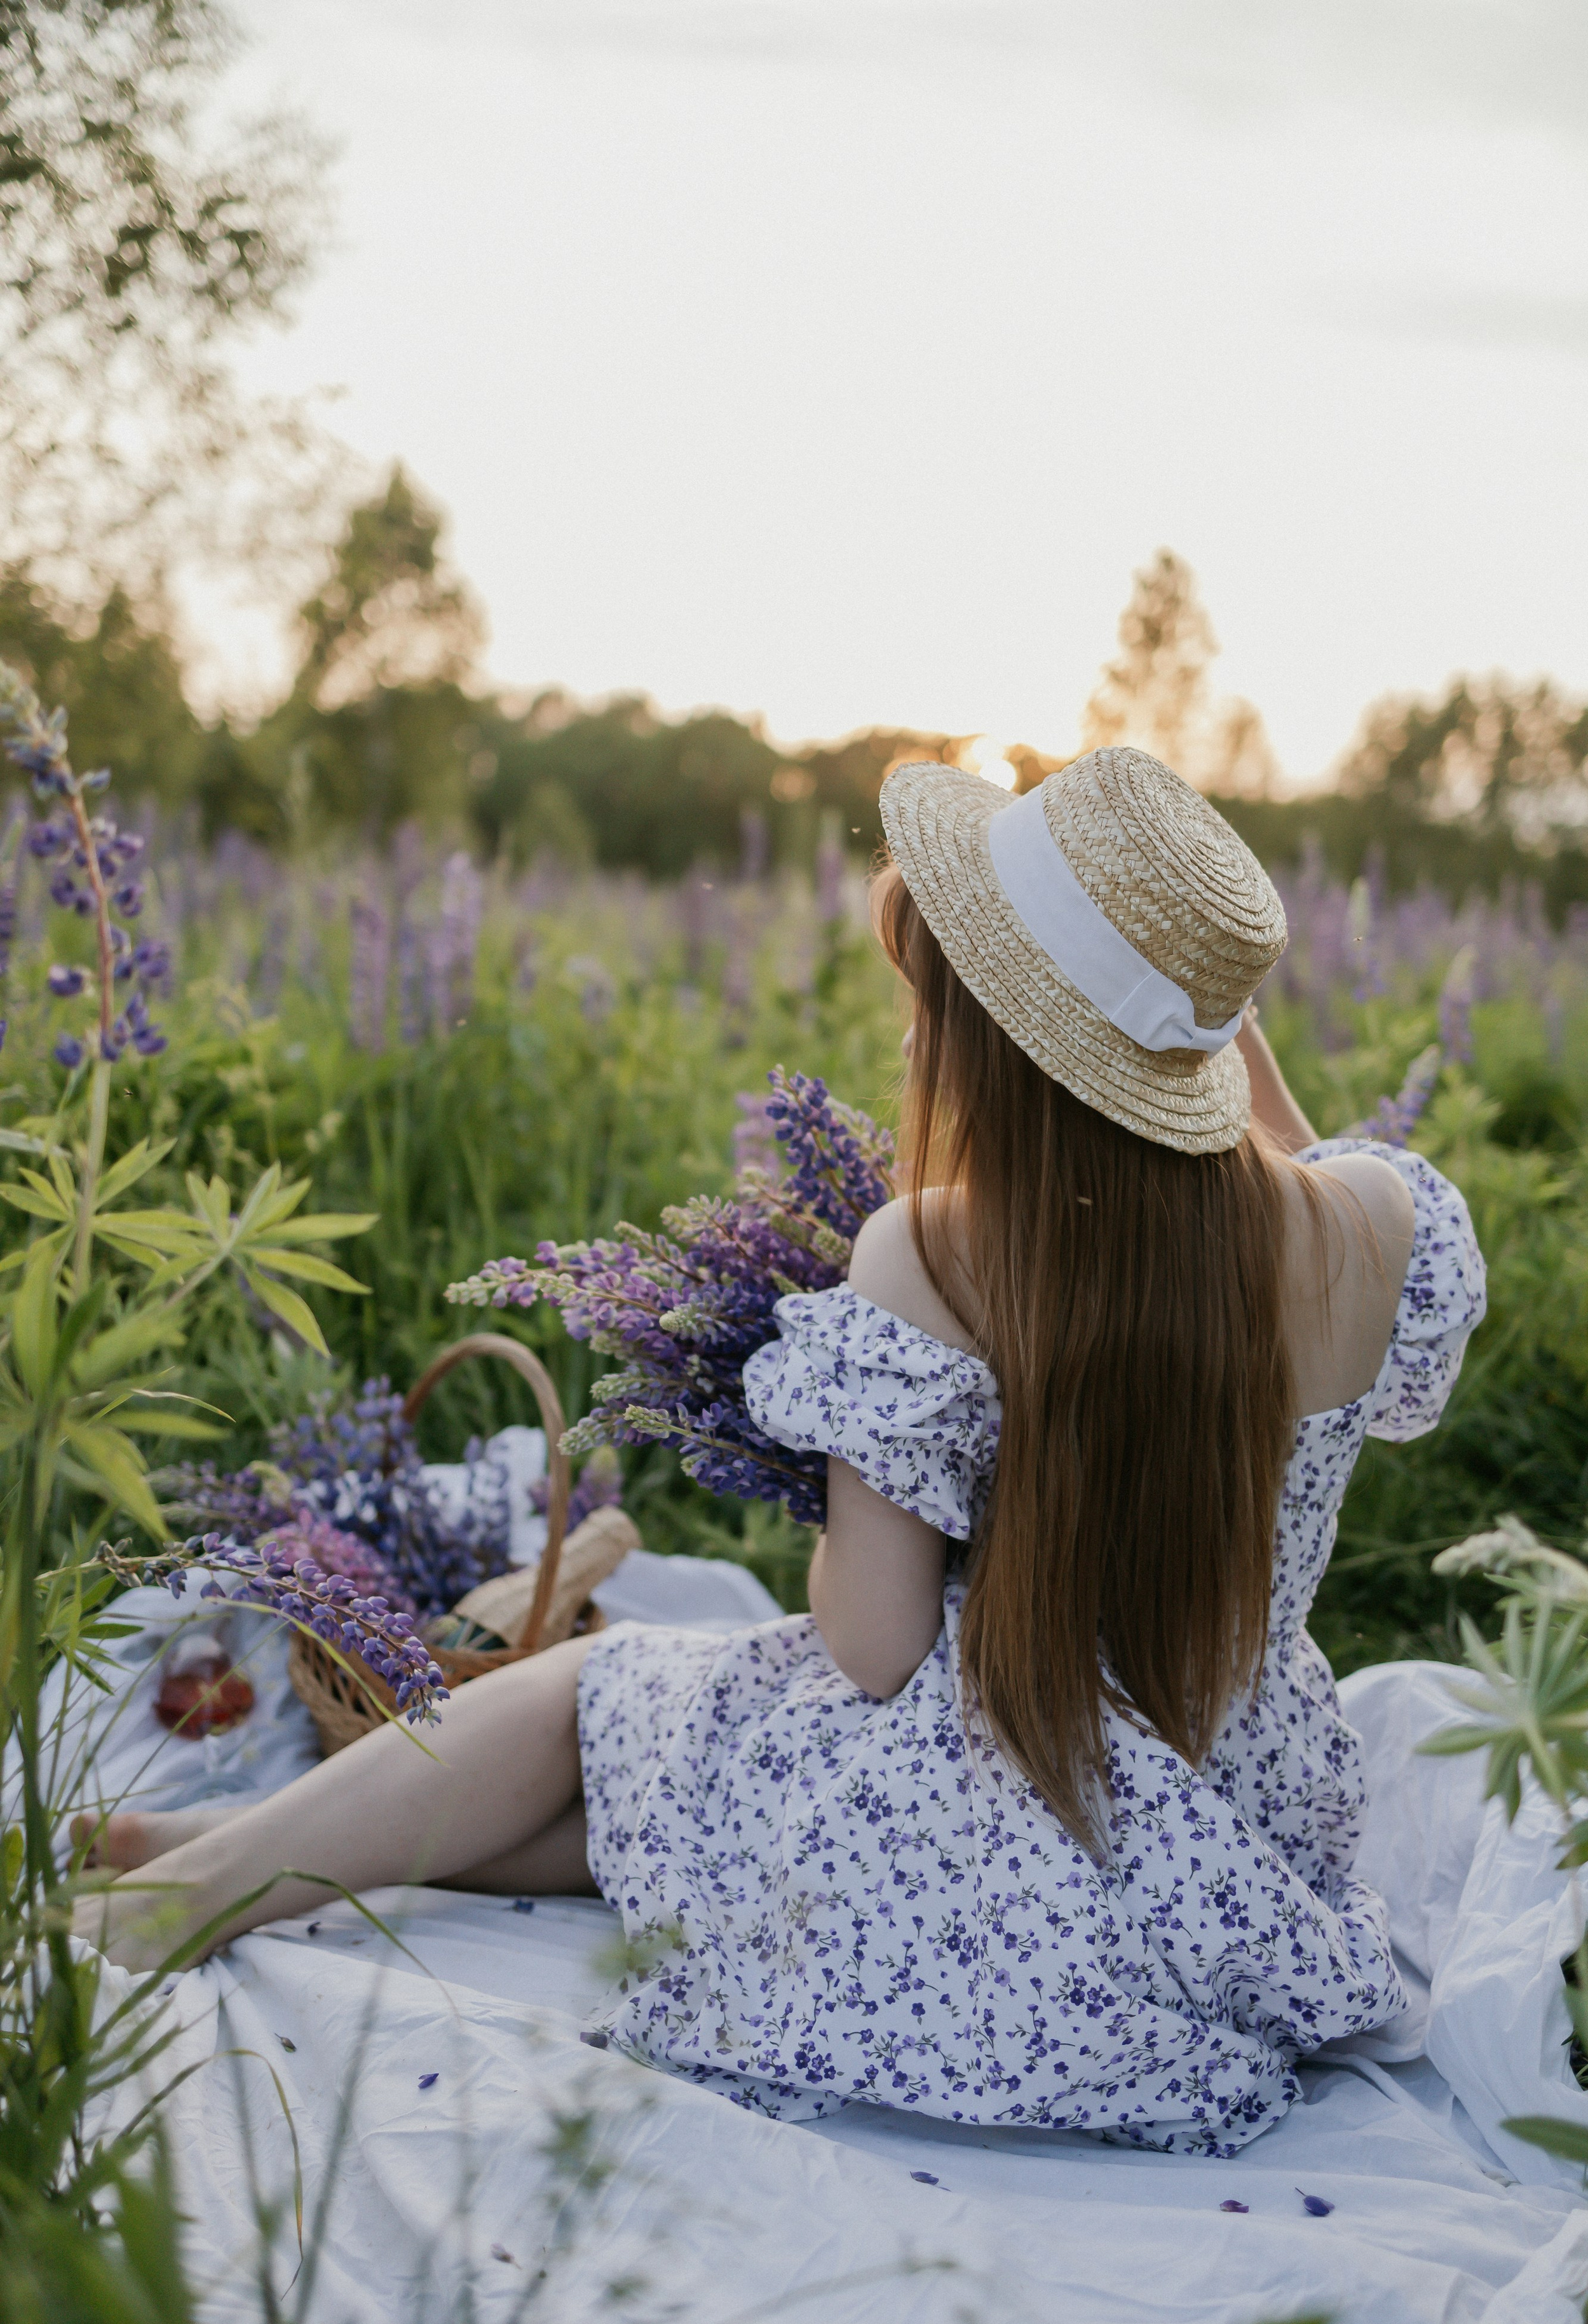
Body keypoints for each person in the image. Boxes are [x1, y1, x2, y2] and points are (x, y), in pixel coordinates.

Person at [78, 746, 1485, 2156]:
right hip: (1231, 1850)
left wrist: (836, 1472)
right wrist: (1195, 1024)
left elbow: (870, 1648)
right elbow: (1301, 1158)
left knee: (597, 1696)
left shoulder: (938, 1250)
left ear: (990, 1032)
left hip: (1006, 1820)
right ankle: (232, 1861)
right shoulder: (1379, 1228)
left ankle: (191, 1892)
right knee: (678, 1795)